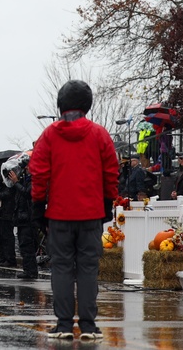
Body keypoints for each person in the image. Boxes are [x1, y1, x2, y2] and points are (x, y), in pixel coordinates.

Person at [31, 80, 118, 342]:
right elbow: (111, 172)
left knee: (61, 268)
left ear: (61, 105)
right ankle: (90, 326)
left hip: (58, 213)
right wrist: (107, 203)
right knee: (88, 269)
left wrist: (38, 205)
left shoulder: (49, 135)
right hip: (91, 212)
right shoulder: (99, 134)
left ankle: (64, 324)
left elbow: (38, 173)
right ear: (87, 105)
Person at [6, 163, 38, 279]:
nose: (26, 168)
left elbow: (27, 193)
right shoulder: (25, 179)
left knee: (27, 245)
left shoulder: (35, 180)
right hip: (21, 218)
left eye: (28, 166)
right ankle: (27, 270)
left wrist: (16, 182)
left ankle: (31, 271)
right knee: (23, 245)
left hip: (28, 218)